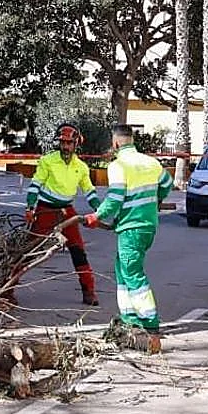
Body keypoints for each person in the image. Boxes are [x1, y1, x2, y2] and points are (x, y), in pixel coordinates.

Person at [83, 124, 173, 332]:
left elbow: (114, 199)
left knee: (132, 272)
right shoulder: (151, 162)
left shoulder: (118, 165)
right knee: (122, 269)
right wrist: (155, 202)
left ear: (115, 143)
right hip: (147, 225)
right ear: (132, 140)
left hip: (131, 228)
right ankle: (129, 317)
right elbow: (167, 184)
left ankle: (150, 322)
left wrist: (96, 216)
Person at [24, 124, 102, 305]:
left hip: (68, 211)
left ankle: (89, 291)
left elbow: (89, 191)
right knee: (28, 250)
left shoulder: (81, 167)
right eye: (63, 143)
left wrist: (99, 210)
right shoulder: (48, 161)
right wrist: (30, 207)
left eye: (69, 143)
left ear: (76, 144)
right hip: (45, 210)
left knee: (78, 251)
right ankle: (6, 291)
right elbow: (35, 185)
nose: (66, 147)